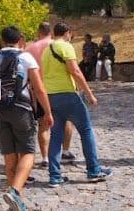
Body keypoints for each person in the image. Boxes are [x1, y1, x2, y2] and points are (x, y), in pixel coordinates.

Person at [0, 26, 53, 211]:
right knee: (28, 152)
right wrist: (48, 112)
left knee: (9, 155)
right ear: (19, 40)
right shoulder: (25, 58)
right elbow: (38, 88)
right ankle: (15, 192)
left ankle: (14, 203)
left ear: (1, 40)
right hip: (20, 109)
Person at [41, 22, 112, 187]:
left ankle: (54, 175)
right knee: (86, 131)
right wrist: (90, 94)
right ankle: (93, 169)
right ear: (68, 33)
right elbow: (76, 71)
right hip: (68, 95)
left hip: (52, 96)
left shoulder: (46, 51)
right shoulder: (66, 47)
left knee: (56, 136)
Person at [24, 22, 74, 168]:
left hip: (39, 89)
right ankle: (65, 151)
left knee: (43, 124)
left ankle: (45, 157)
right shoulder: (58, 45)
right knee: (66, 121)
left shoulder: (30, 49)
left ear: (39, 32)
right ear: (50, 31)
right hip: (59, 88)